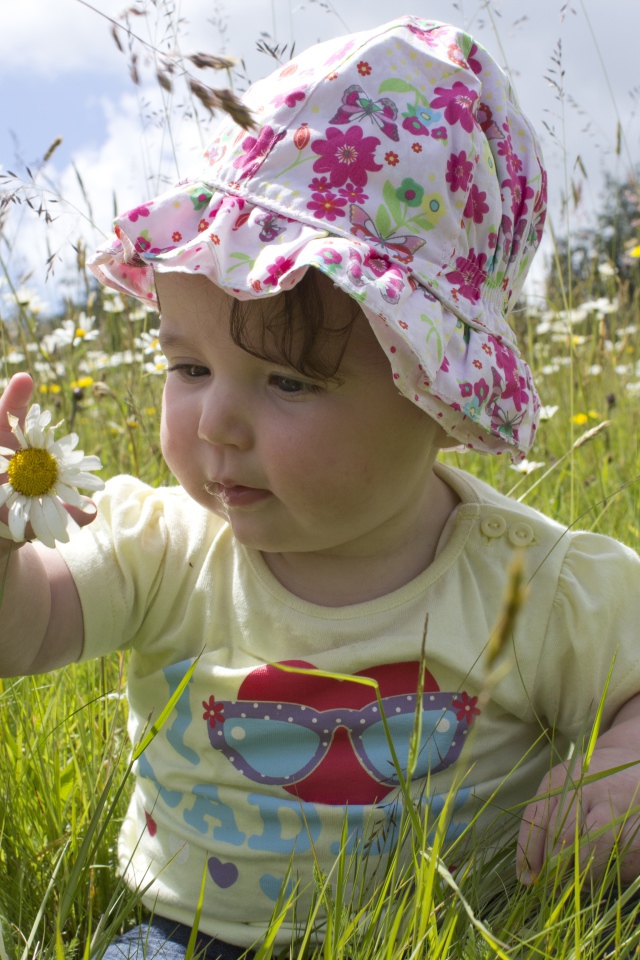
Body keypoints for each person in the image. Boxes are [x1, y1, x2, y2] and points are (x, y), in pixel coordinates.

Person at [1, 14, 640, 959]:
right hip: (180, 939)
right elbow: (30, 631)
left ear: (437, 397)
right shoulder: (165, 545)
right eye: (189, 368)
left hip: (446, 938)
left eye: (290, 380)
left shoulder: (533, 584)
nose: (215, 421)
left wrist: (623, 776)